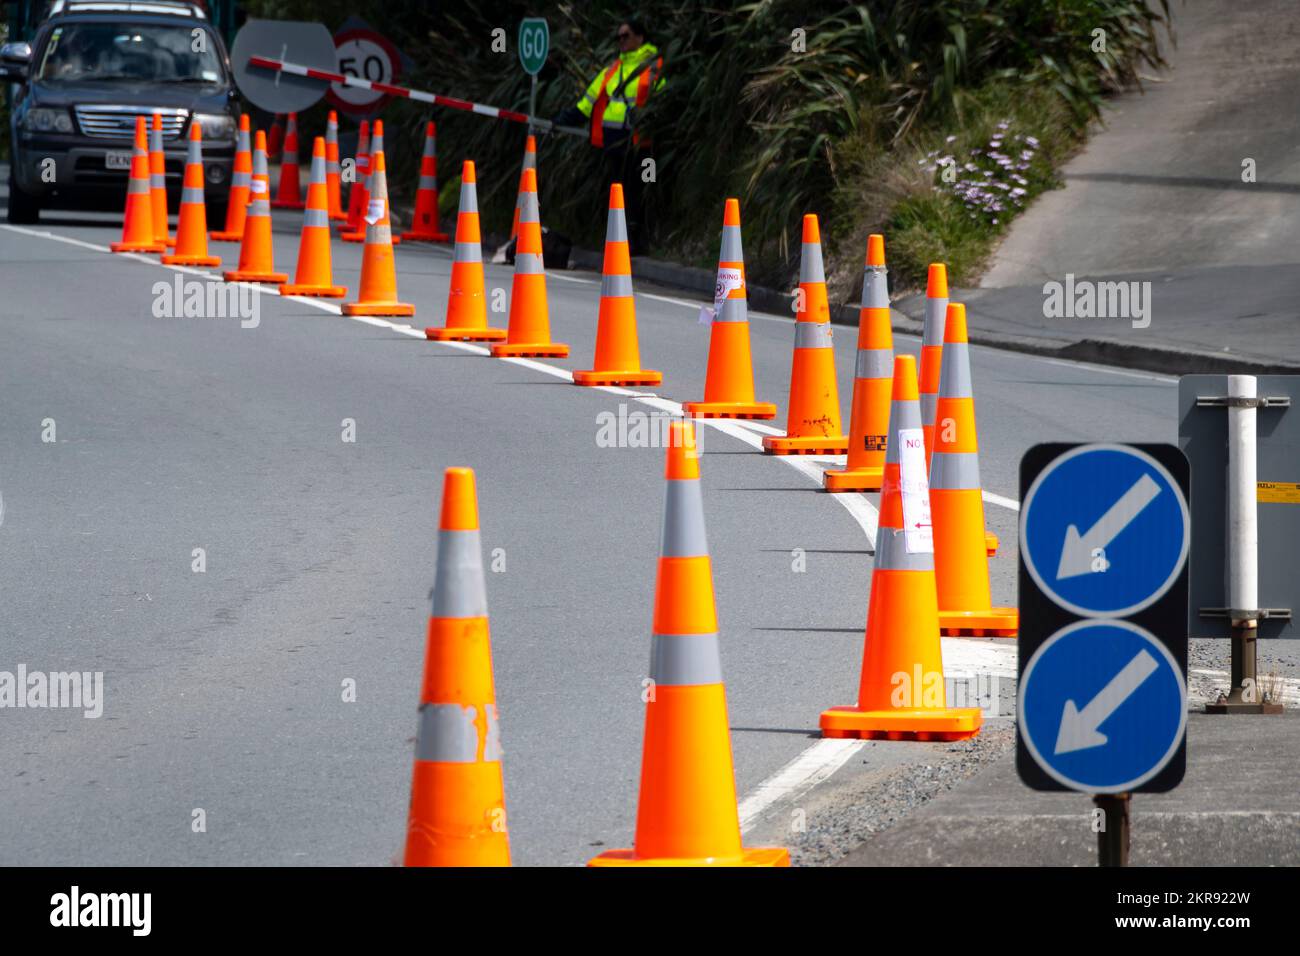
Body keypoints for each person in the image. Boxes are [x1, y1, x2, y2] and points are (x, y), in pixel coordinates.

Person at [554, 18, 664, 255]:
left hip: (640, 143)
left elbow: (665, 104)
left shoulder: (654, 67)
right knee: (618, 191)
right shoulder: (613, 69)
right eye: (618, 37)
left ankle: (638, 241)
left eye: (625, 36)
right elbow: (587, 104)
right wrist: (562, 120)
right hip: (614, 143)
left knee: (639, 191)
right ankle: (620, 240)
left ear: (639, 37)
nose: (620, 41)